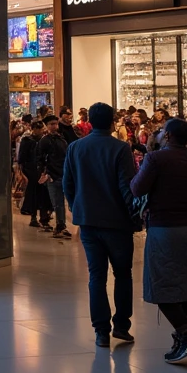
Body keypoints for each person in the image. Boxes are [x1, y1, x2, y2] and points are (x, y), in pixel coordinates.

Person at [62, 101, 138, 348]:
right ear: (113, 121)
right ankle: (122, 325)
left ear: (89, 122)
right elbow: (127, 186)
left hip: (89, 221)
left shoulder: (75, 148)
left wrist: (77, 207)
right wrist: (135, 215)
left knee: (96, 276)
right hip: (117, 222)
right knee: (123, 274)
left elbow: (68, 184)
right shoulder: (120, 149)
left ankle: (101, 331)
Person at [131, 117, 187, 364]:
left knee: (162, 284)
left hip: (165, 228)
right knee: (186, 281)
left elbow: (137, 188)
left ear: (167, 136)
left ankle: (185, 333)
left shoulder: (156, 159)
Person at [36, 115, 72, 240]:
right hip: (52, 175)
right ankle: (60, 226)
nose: (54, 126)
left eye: (56, 123)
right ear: (47, 125)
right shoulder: (45, 141)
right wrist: (45, 173)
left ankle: (61, 225)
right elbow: (40, 159)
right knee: (57, 202)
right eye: (51, 124)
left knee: (60, 202)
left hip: (62, 174)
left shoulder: (61, 138)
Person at [18, 119, 50, 229]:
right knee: (33, 194)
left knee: (42, 194)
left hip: (40, 171)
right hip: (30, 171)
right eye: (40, 128)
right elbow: (21, 157)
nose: (42, 131)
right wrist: (22, 172)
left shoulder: (43, 140)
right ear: (35, 129)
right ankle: (33, 216)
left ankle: (43, 216)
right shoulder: (27, 141)